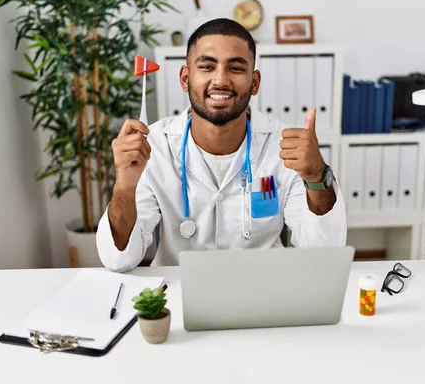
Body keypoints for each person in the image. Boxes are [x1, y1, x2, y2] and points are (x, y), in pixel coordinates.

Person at [96, 18, 347, 272]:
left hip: (266, 291)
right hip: (177, 293)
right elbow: (118, 260)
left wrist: (317, 176)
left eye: (236, 69)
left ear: (255, 82)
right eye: (206, 66)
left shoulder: (286, 146)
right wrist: (124, 187)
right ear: (185, 78)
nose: (221, 80)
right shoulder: (155, 146)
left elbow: (325, 253)